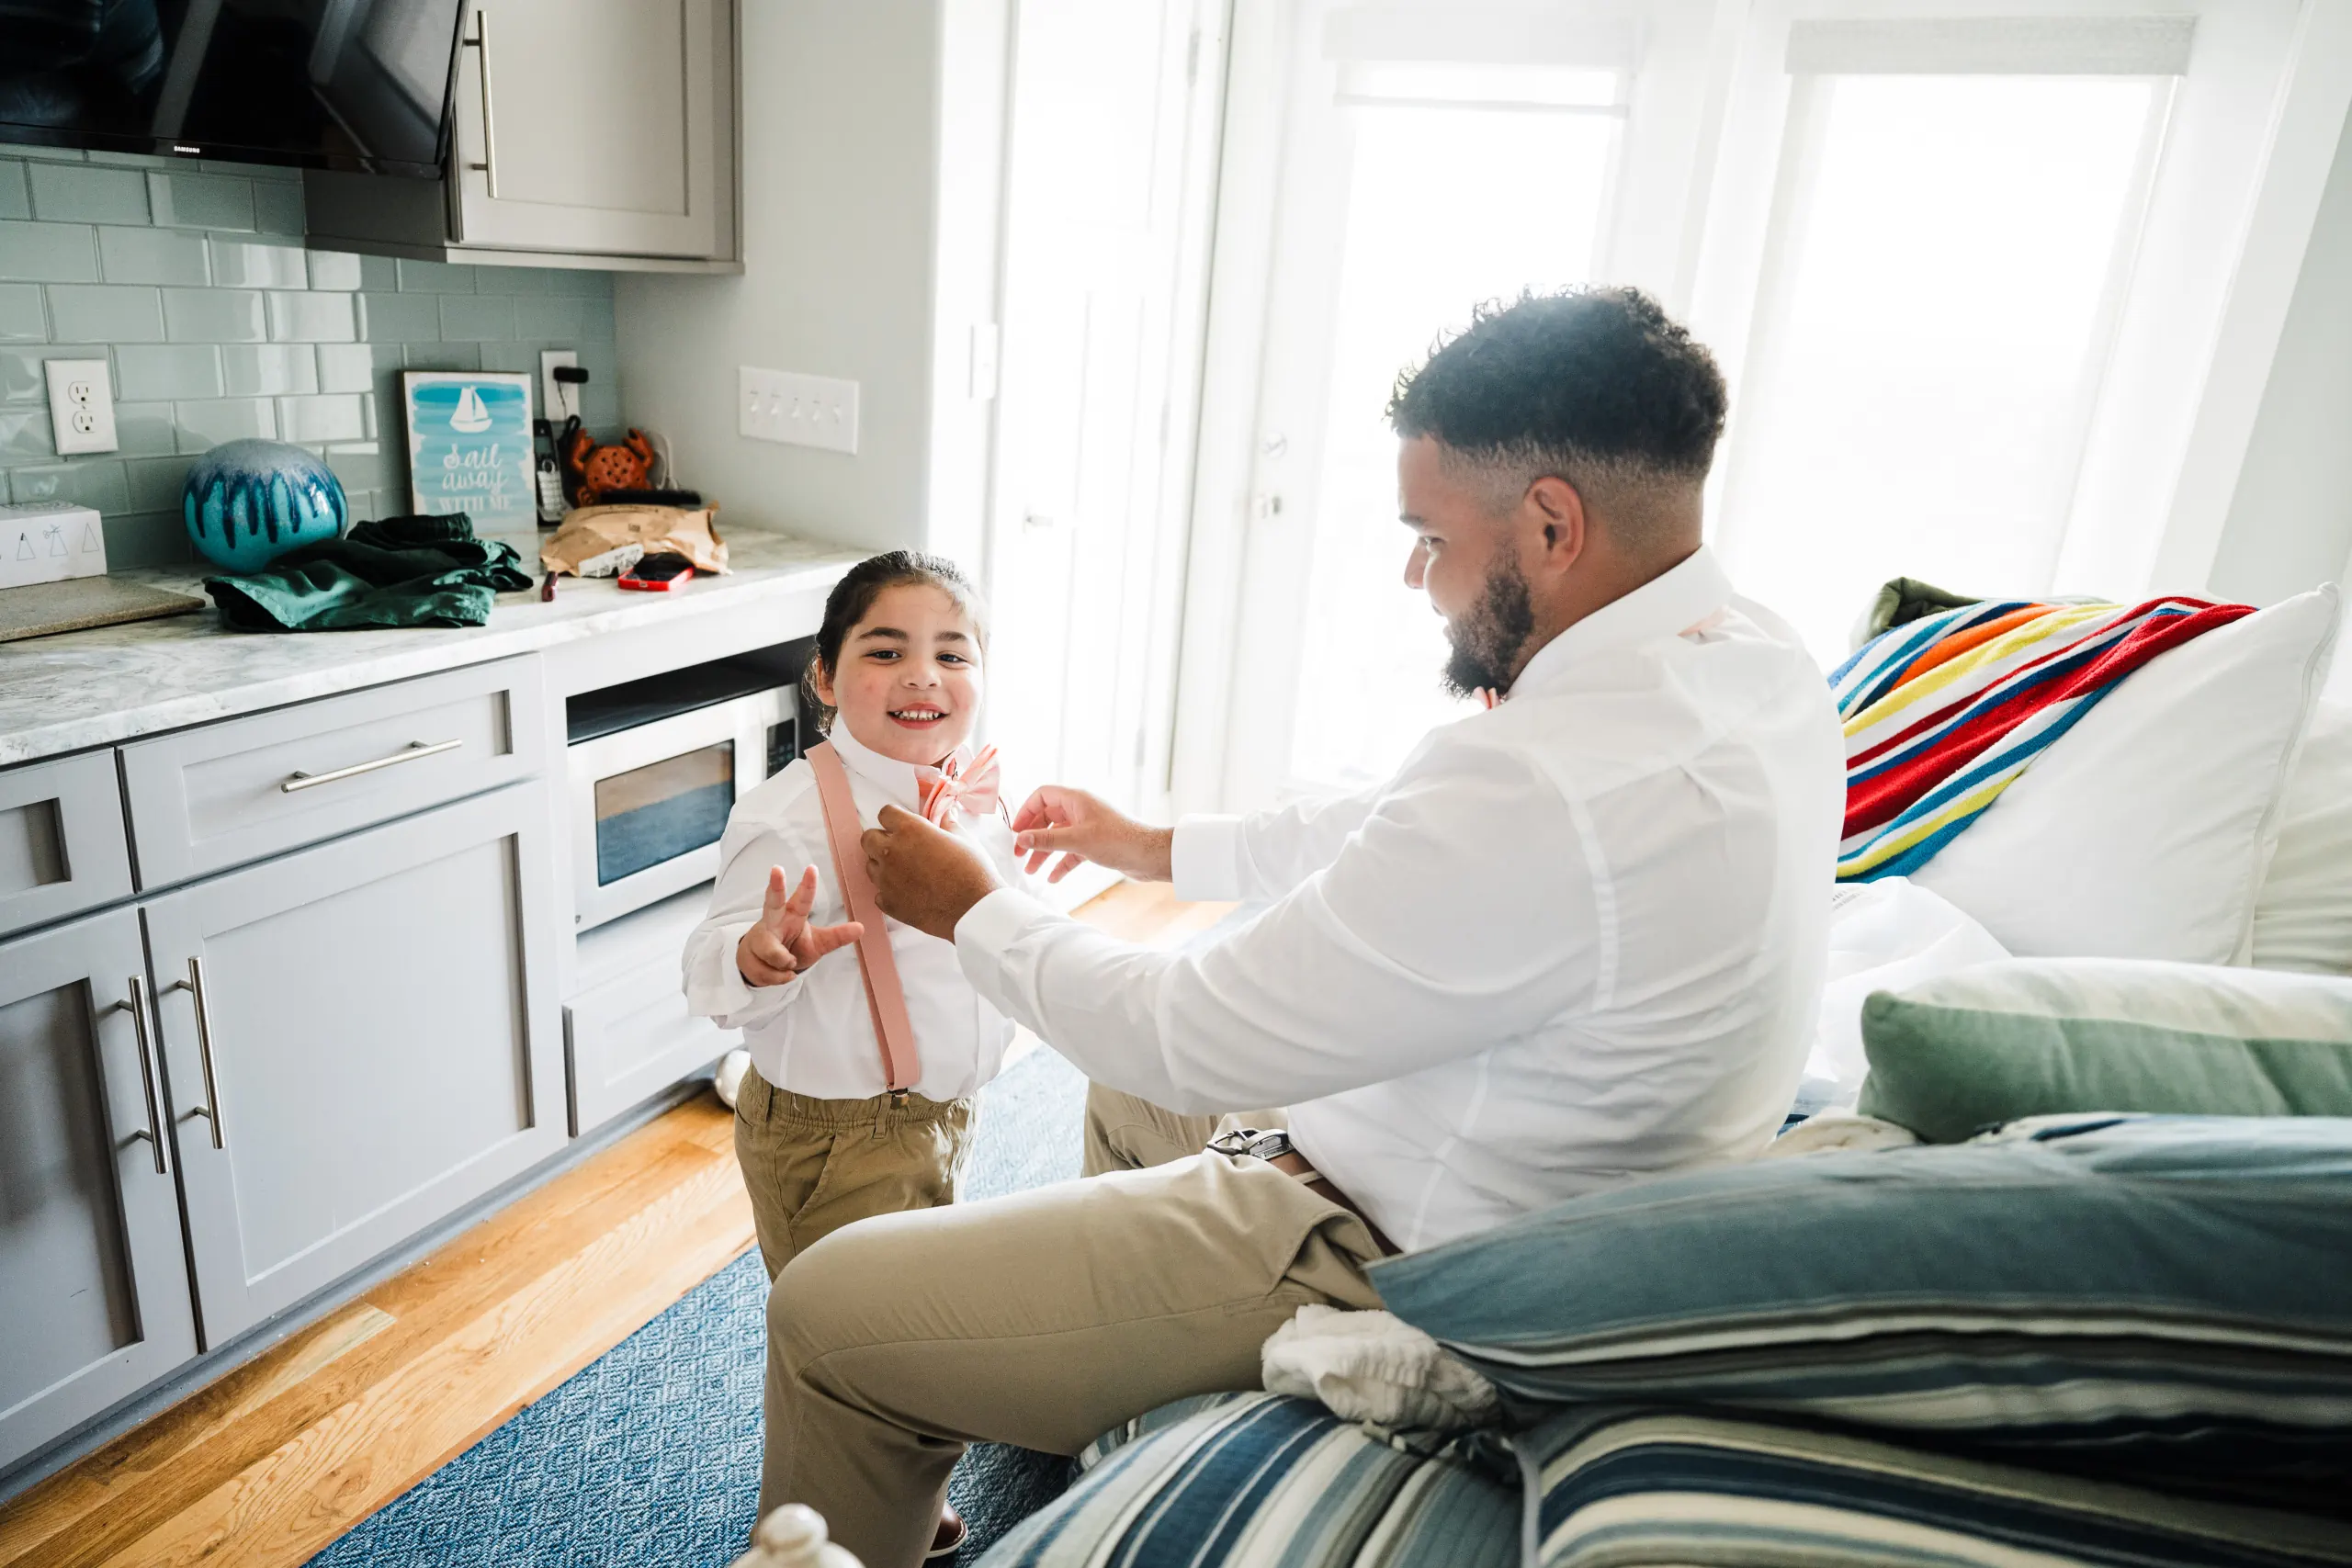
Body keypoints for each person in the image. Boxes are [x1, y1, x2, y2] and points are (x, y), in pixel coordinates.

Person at [761, 288, 1846, 1568]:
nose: (1417, 576)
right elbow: (1398, 830)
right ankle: (1087, 1400)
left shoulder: (1555, 781)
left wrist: (970, 902)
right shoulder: (1753, 660)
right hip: (1492, 1166)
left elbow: (1191, 1037)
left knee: (826, 1310)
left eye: (1431, 536)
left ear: (1552, 522)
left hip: (1394, 1248)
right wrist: (1150, 846)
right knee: (1114, 1080)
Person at [680, 551, 1022, 1561]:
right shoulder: (788, 815)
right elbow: (708, 964)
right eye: (887, 649)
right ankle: (825, 1527)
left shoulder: (968, 790)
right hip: (833, 1139)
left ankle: (902, 1487)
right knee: (857, 1341)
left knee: (917, 1307)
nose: (923, 674)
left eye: (951, 653)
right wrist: (758, 952)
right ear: (823, 678)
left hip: (937, 1116)